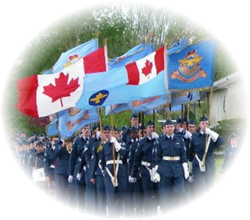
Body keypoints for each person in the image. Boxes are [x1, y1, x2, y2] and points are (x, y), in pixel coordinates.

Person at [154, 119, 189, 214]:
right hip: (165, 168)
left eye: (171, 126)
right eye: (167, 127)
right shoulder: (160, 141)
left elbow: (183, 156)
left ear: (174, 128)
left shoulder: (179, 139)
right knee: (166, 194)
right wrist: (156, 172)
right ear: (164, 129)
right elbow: (157, 158)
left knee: (180, 191)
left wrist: (185, 169)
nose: (169, 128)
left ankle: (175, 207)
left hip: (177, 167)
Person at [190, 116, 225, 200]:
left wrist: (211, 133)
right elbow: (191, 151)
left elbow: (222, 142)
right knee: (200, 191)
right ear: (199, 125)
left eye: (206, 123)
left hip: (209, 165)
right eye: (203, 123)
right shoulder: (195, 137)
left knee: (209, 188)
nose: (204, 125)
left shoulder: (212, 136)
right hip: (198, 166)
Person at [131, 120, 158, 218]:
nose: (151, 129)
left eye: (152, 127)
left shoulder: (158, 140)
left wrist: (158, 140)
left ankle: (154, 211)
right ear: (146, 130)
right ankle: (150, 214)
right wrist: (133, 173)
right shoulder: (142, 142)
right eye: (149, 127)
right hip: (146, 170)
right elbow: (137, 158)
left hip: (157, 170)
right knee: (148, 194)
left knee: (157, 194)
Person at [100, 125, 127, 219]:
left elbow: (123, 154)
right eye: (112, 133)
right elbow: (102, 161)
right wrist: (104, 171)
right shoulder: (105, 146)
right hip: (109, 172)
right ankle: (111, 216)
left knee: (121, 194)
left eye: (115, 133)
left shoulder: (121, 144)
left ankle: (116, 214)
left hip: (120, 171)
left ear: (118, 134)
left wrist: (116, 143)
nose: (113, 135)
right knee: (110, 195)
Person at [68, 125, 90, 214]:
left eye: (88, 128)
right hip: (79, 168)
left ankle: (89, 207)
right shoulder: (77, 141)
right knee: (80, 190)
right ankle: (81, 210)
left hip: (89, 167)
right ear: (81, 130)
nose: (86, 130)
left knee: (89, 190)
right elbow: (72, 158)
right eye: (84, 128)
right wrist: (71, 173)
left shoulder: (92, 141)